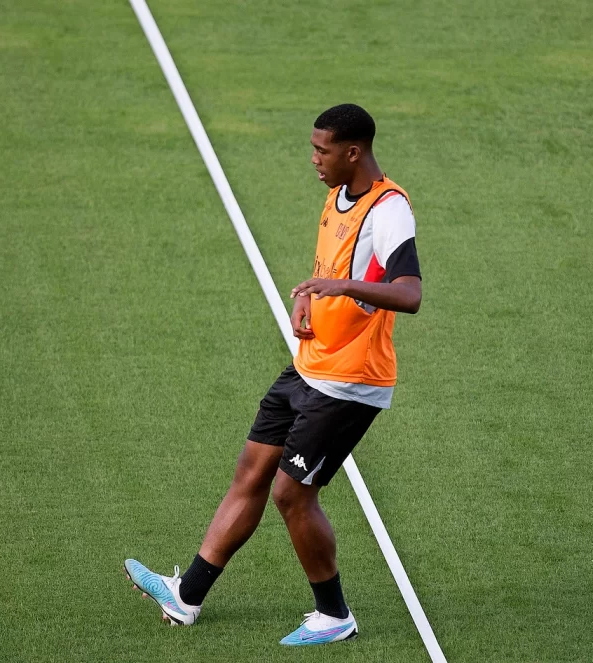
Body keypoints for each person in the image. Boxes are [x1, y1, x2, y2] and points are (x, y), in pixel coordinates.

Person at [124, 103, 422, 646]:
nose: (313, 159)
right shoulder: (337, 197)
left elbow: (410, 293)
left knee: (292, 493)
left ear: (352, 152)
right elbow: (333, 272)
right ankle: (186, 597)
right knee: (251, 471)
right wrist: (308, 297)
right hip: (309, 365)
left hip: (349, 383)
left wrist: (344, 290)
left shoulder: (389, 211)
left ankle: (334, 616)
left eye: (322, 149)